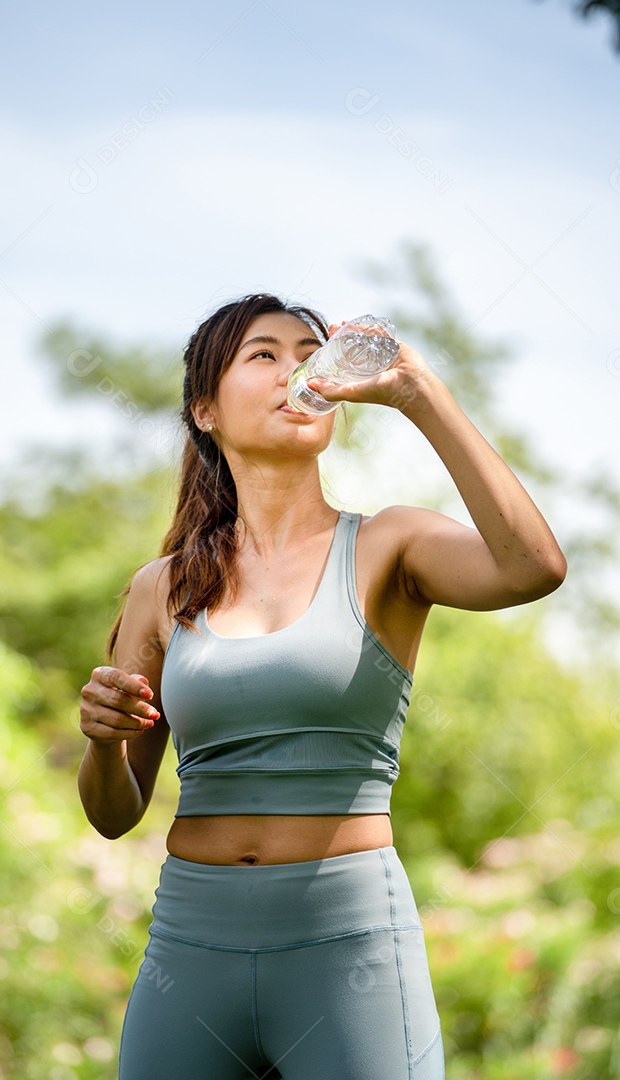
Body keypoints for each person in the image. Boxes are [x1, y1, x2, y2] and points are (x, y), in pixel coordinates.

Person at [77, 293, 566, 1080]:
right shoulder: (161, 589)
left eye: (307, 352)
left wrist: (420, 394)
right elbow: (112, 813)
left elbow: (533, 567)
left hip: (351, 948)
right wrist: (102, 744)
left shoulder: (389, 544)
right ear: (205, 410)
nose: (293, 368)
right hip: (190, 947)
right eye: (262, 354)